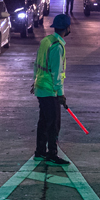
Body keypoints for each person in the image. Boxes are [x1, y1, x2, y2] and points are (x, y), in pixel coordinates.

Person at [33, 14, 71, 166]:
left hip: (41, 86)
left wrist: (35, 81)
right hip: (50, 90)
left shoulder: (46, 41)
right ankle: (52, 153)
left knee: (44, 121)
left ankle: (40, 151)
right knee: (54, 123)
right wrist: (60, 94)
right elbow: (57, 73)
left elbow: (36, 63)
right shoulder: (57, 46)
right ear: (67, 28)